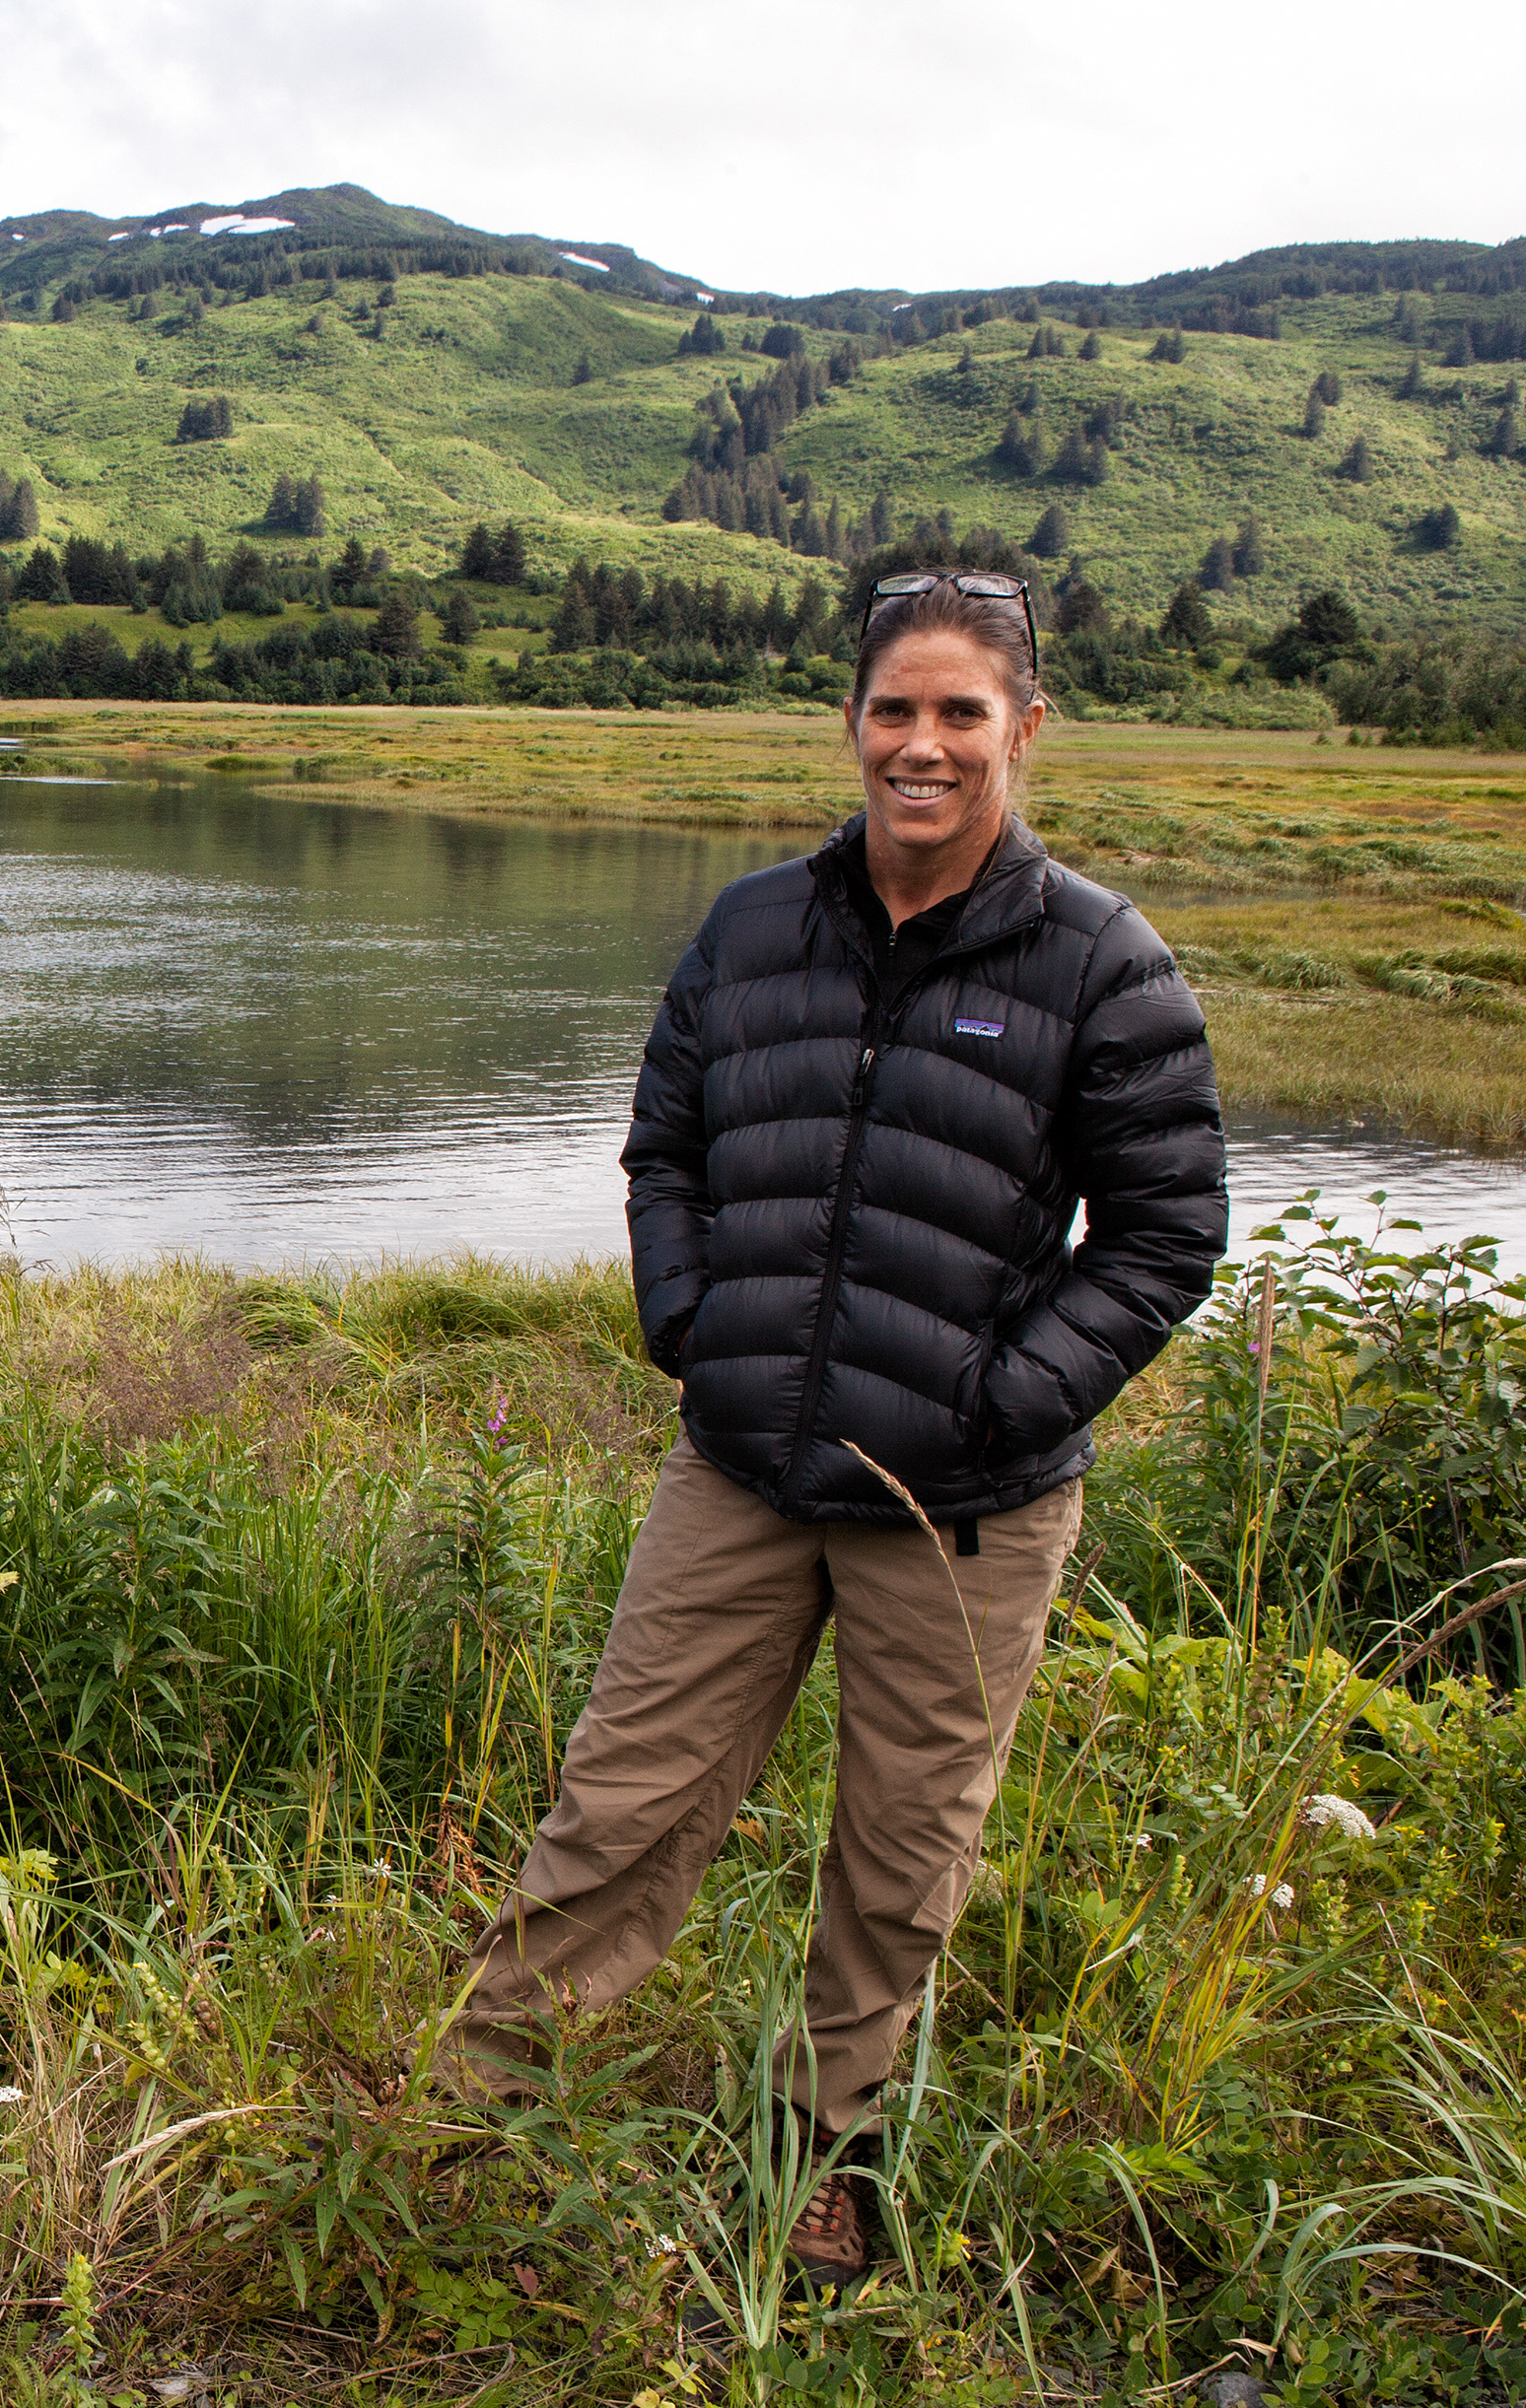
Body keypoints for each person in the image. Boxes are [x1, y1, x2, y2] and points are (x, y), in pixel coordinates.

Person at [443, 569, 1228, 2280]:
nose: (922, 745)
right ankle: (480, 2124)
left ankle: (823, 2158)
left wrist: (990, 1405)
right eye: (894, 710)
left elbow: (1167, 1240)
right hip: (741, 1466)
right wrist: (691, 1324)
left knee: (897, 1851)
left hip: (963, 1505)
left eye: (961, 713)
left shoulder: (1102, 962)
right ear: (852, 726)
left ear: (1025, 729)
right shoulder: (750, 930)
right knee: (621, 1806)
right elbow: (667, 1144)